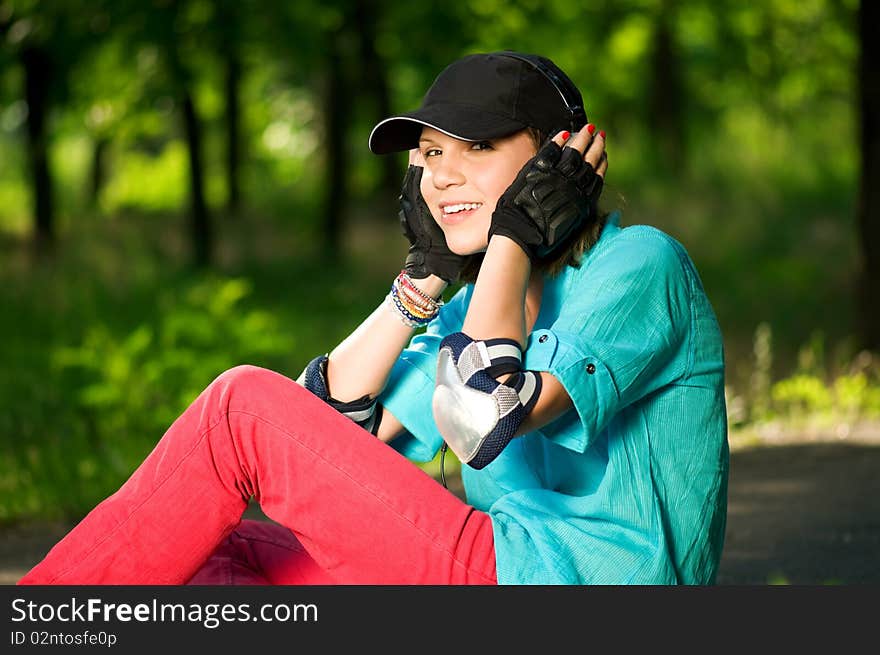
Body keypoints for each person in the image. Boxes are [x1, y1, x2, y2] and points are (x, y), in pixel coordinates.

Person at [19, 51, 728, 586]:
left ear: (561, 154)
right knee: (209, 555)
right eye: (430, 154)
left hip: (558, 583)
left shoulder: (639, 266)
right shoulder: (470, 311)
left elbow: (481, 417)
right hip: (483, 567)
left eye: (477, 146)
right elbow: (327, 437)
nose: (442, 175)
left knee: (240, 403)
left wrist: (510, 232)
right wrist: (422, 279)